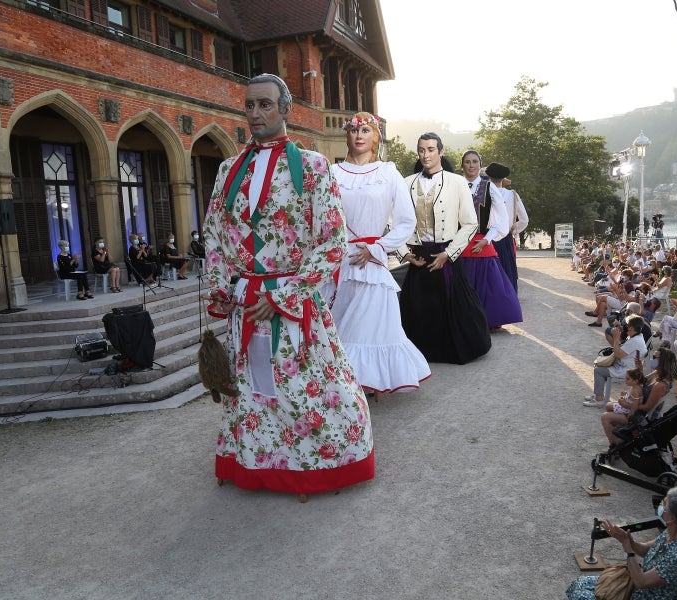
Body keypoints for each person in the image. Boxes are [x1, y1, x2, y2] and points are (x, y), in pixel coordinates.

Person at [202, 73, 374, 499]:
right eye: (249, 105)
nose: (255, 113)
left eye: (264, 104)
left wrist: (283, 295)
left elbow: (332, 241)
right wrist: (226, 290)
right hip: (246, 303)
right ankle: (256, 465)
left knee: (304, 389)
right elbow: (214, 235)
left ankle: (312, 468)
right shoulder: (227, 170)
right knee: (252, 389)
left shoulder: (313, 166)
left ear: (285, 108)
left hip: (294, 304)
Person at [325, 111, 430, 394]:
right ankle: (342, 384)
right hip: (339, 261)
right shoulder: (331, 174)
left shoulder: (388, 172)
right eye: (354, 131)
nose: (359, 136)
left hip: (372, 263)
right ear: (346, 135)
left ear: (376, 137)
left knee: (365, 326)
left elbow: (406, 222)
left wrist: (377, 248)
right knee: (340, 324)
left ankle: (363, 384)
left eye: (366, 131)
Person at [398, 132, 491, 364]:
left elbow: (471, 223)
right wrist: (405, 253)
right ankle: (420, 354)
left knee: (454, 306)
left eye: (430, 149)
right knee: (417, 307)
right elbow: (393, 222)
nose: (425, 155)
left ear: (441, 151)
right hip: (418, 254)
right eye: (421, 150)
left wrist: (448, 254)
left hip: (445, 253)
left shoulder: (457, 182)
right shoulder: (405, 183)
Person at [566, 487, 677, 600]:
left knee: (580, 595)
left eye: (664, 504)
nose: (660, 506)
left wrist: (627, 547)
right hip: (634, 589)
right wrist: (628, 540)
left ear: (672, 518)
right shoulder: (675, 532)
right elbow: (646, 549)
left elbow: (641, 582)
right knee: (579, 584)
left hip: (640, 593)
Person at [459, 154, 522, 328]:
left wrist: (487, 240)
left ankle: (487, 320)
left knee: (488, 286)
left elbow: (502, 219)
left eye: (475, 162)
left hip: (481, 242)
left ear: (480, 165)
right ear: (462, 165)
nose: (471, 165)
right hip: (458, 244)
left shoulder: (489, 187)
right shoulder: (455, 185)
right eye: (467, 162)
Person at [601, 348, 677, 445]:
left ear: (663, 361)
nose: (653, 359)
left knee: (605, 417)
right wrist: (640, 368)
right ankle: (622, 439)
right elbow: (642, 382)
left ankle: (616, 445)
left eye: (655, 357)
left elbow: (647, 407)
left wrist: (627, 405)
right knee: (609, 406)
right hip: (637, 408)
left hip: (641, 417)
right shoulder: (657, 373)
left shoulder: (661, 385)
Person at [583, 315, 648, 407]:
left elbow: (618, 354)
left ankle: (599, 398)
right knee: (599, 366)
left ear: (631, 328)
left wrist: (615, 338)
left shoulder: (635, 341)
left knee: (598, 371)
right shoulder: (636, 337)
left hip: (627, 370)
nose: (625, 327)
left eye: (626, 325)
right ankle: (597, 394)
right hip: (625, 366)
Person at [488, 165, 527, 291]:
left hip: (486, 239)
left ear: (488, 176)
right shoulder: (513, 195)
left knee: (489, 277)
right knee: (507, 274)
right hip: (506, 239)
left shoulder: (483, 194)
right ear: (503, 178)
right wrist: (512, 230)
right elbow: (524, 220)